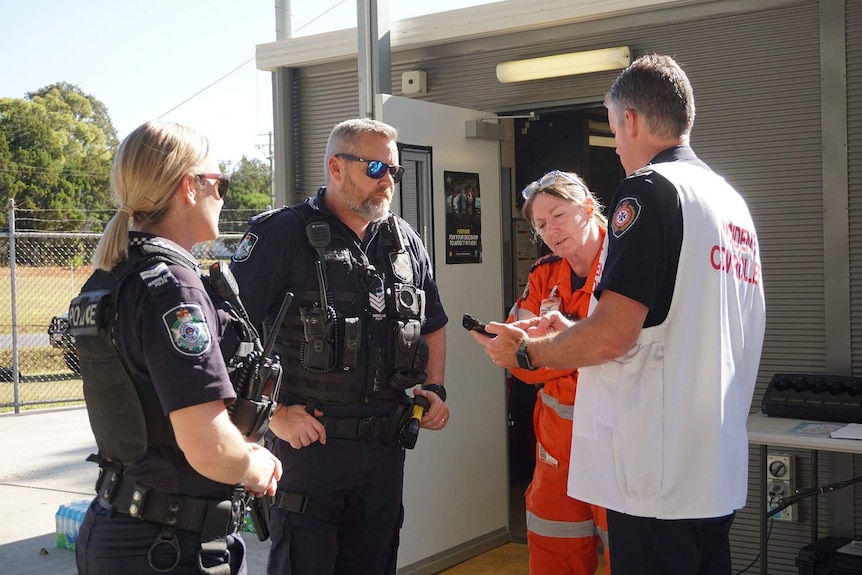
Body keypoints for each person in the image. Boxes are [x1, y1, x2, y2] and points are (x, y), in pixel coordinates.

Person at [472, 54, 766, 575]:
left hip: (653, 479)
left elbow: (612, 336)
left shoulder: (650, 190)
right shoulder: (730, 202)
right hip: (712, 473)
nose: (618, 146)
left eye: (612, 129)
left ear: (629, 120)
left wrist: (528, 348)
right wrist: (571, 333)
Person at [229, 117, 449, 575]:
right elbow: (228, 332)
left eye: (394, 171)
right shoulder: (282, 233)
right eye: (375, 168)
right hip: (310, 446)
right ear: (335, 167)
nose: (388, 181)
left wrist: (435, 389)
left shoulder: (404, 241)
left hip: (386, 447)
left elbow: (432, 323)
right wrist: (275, 415)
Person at [71, 121, 283, 575]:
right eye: (220, 184)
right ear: (190, 186)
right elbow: (206, 445)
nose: (223, 195)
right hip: (168, 548)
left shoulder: (109, 279)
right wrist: (253, 465)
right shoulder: (172, 289)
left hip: (123, 529)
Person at [507, 170, 611, 574]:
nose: (550, 230)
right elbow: (519, 360)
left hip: (618, 446)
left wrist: (549, 354)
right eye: (540, 224)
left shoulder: (627, 266)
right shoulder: (544, 274)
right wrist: (570, 355)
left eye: (558, 215)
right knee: (554, 555)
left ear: (587, 209)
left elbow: (619, 353)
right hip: (556, 453)